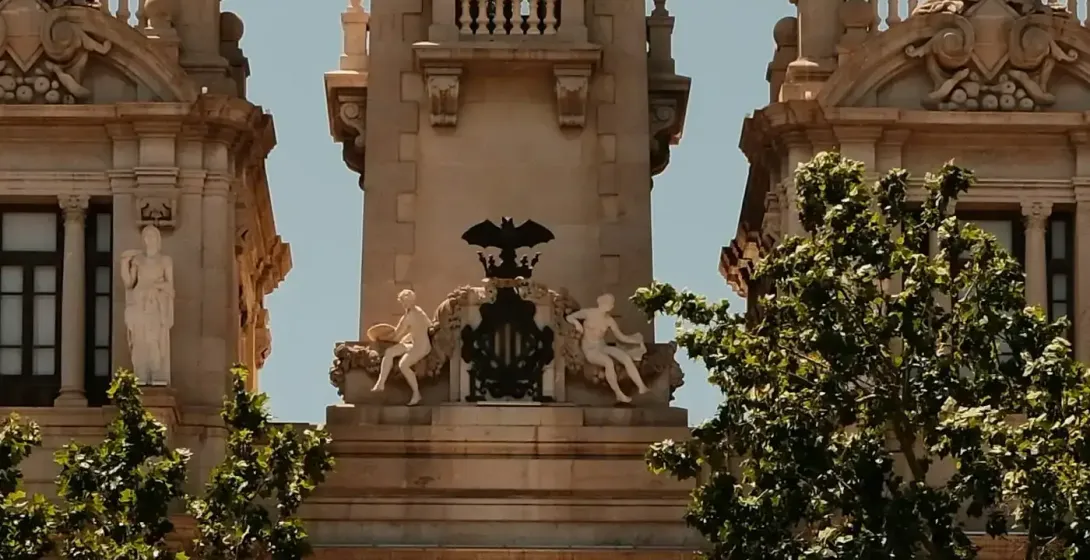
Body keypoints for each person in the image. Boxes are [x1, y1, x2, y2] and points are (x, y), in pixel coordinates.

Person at [566, 294, 650, 403]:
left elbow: (621, 337)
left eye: (612, 304)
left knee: (625, 357)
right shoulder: (589, 313)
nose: (612, 306)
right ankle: (618, 394)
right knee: (608, 362)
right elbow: (569, 317)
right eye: (610, 303)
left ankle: (641, 386)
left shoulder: (609, 320)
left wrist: (635, 340)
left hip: (602, 346)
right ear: (603, 303)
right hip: (590, 349)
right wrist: (577, 324)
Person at [120, 225, 174, 386]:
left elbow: (170, 287)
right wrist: (124, 263)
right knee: (139, 341)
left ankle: (157, 374)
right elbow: (129, 283)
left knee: (154, 340)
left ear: (158, 240)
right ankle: (141, 375)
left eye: (152, 236)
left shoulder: (165, 260)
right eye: (146, 236)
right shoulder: (138, 260)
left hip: (156, 304)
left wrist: (156, 287)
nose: (149, 240)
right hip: (138, 302)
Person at [372, 289, 429, 406]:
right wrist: (409, 336)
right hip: (414, 344)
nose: (403, 304)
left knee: (403, 365)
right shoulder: (415, 312)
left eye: (404, 301)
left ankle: (416, 393)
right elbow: (427, 326)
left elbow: (397, 335)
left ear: (410, 301)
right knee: (390, 352)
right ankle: (381, 382)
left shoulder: (411, 315)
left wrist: (383, 337)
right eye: (402, 301)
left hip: (421, 347)